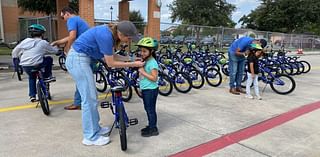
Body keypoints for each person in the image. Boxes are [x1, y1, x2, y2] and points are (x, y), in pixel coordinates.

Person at [65, 21, 144, 146]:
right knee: (89, 100)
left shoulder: (108, 33)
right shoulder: (106, 35)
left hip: (81, 59)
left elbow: (111, 56)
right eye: (128, 38)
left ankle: (95, 128)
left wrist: (132, 59)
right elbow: (111, 63)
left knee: (92, 98)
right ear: (120, 33)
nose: (128, 41)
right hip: (78, 60)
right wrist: (133, 64)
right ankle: (90, 137)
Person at [52, 6, 90, 110]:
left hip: (84, 52)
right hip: (89, 51)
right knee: (82, 79)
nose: (63, 20)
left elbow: (72, 37)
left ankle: (78, 103)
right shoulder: (79, 20)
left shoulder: (71, 20)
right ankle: (79, 102)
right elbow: (71, 36)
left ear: (67, 14)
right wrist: (58, 42)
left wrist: (67, 49)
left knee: (80, 78)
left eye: (62, 17)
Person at [12, 24, 59, 102]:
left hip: (25, 65)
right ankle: (47, 77)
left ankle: (32, 96)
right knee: (49, 59)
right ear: (42, 34)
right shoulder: (43, 42)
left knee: (32, 77)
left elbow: (15, 52)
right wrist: (58, 51)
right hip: (38, 64)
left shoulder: (25, 41)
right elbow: (53, 50)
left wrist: (16, 60)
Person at [136, 37, 160, 137]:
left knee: (150, 110)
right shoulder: (146, 61)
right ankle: (151, 125)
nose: (142, 53)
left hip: (151, 90)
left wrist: (142, 71)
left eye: (145, 51)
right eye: (141, 51)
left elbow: (154, 78)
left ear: (151, 51)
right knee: (148, 108)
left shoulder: (152, 63)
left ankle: (153, 128)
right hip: (146, 89)